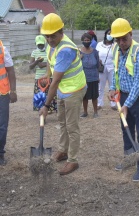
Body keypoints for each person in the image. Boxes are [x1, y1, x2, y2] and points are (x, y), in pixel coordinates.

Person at [38, 13, 87, 175]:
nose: (49, 39)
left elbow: (56, 81)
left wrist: (46, 105)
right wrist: (47, 73)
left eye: (53, 36)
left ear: (61, 31)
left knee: (72, 126)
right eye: (47, 36)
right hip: (62, 89)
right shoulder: (51, 45)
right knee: (62, 122)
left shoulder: (66, 50)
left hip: (73, 90)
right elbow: (50, 61)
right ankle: (63, 150)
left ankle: (73, 160)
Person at [108, 18, 139, 182]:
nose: (121, 42)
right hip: (124, 96)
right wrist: (112, 88)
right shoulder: (116, 49)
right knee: (126, 131)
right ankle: (129, 159)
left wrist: (127, 105)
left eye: (124, 38)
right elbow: (116, 71)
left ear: (131, 34)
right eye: (117, 39)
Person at [0, 40, 17, 165]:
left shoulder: (3, 49)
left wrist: (13, 90)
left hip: (2, 94)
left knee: (2, 125)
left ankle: (0, 153)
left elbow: (10, 71)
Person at [30, 35, 57, 112]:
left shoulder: (49, 50)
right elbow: (30, 66)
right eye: (39, 44)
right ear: (35, 43)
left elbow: (52, 62)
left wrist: (44, 64)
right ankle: (41, 112)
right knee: (40, 97)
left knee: (50, 95)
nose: (40, 46)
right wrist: (37, 61)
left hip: (49, 77)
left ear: (45, 43)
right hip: (39, 78)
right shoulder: (34, 52)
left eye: (42, 44)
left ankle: (49, 110)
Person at [79, 33, 100, 118]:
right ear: (82, 41)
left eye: (88, 40)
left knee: (94, 96)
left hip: (94, 77)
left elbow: (98, 64)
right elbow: (77, 65)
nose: (86, 42)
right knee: (85, 96)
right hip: (84, 78)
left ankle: (95, 112)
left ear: (91, 41)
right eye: (85, 40)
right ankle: (85, 112)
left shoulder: (95, 52)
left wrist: (98, 76)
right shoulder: (79, 52)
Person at [96, 29, 116, 110]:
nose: (109, 35)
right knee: (100, 86)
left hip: (112, 68)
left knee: (113, 86)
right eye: (108, 33)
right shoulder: (99, 44)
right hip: (101, 68)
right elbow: (96, 54)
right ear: (105, 34)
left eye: (111, 34)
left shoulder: (115, 45)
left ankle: (114, 103)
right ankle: (99, 103)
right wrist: (98, 61)